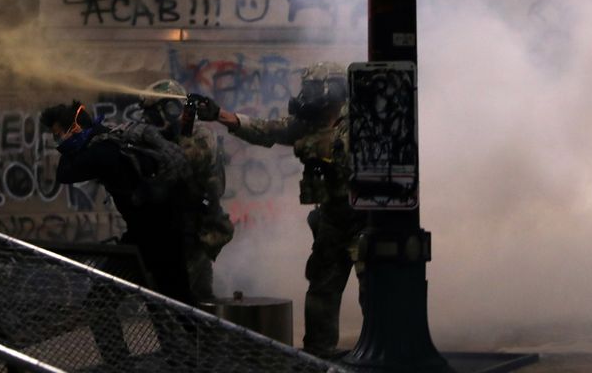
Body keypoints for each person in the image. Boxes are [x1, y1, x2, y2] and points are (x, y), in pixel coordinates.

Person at [195, 61, 364, 359]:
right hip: (333, 220)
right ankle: (319, 354)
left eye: (313, 88)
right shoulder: (308, 125)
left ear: (334, 90)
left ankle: (377, 350)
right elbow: (266, 130)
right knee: (322, 288)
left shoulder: (363, 124)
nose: (306, 95)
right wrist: (220, 115)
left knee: (375, 290)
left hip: (366, 221)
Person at [40, 100, 195, 305]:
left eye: (60, 134)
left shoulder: (100, 153)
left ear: (76, 129)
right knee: (172, 304)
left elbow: (63, 174)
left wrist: (68, 147)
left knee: (101, 303)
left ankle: (205, 336)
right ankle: (196, 335)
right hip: (156, 231)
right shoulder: (110, 137)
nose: (58, 140)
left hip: (153, 237)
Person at [139, 79, 234, 301]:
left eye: (153, 112)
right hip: (172, 226)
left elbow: (183, 161)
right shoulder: (163, 137)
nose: (148, 119)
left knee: (189, 296)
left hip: (195, 227)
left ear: (171, 109)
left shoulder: (200, 135)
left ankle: (197, 333)